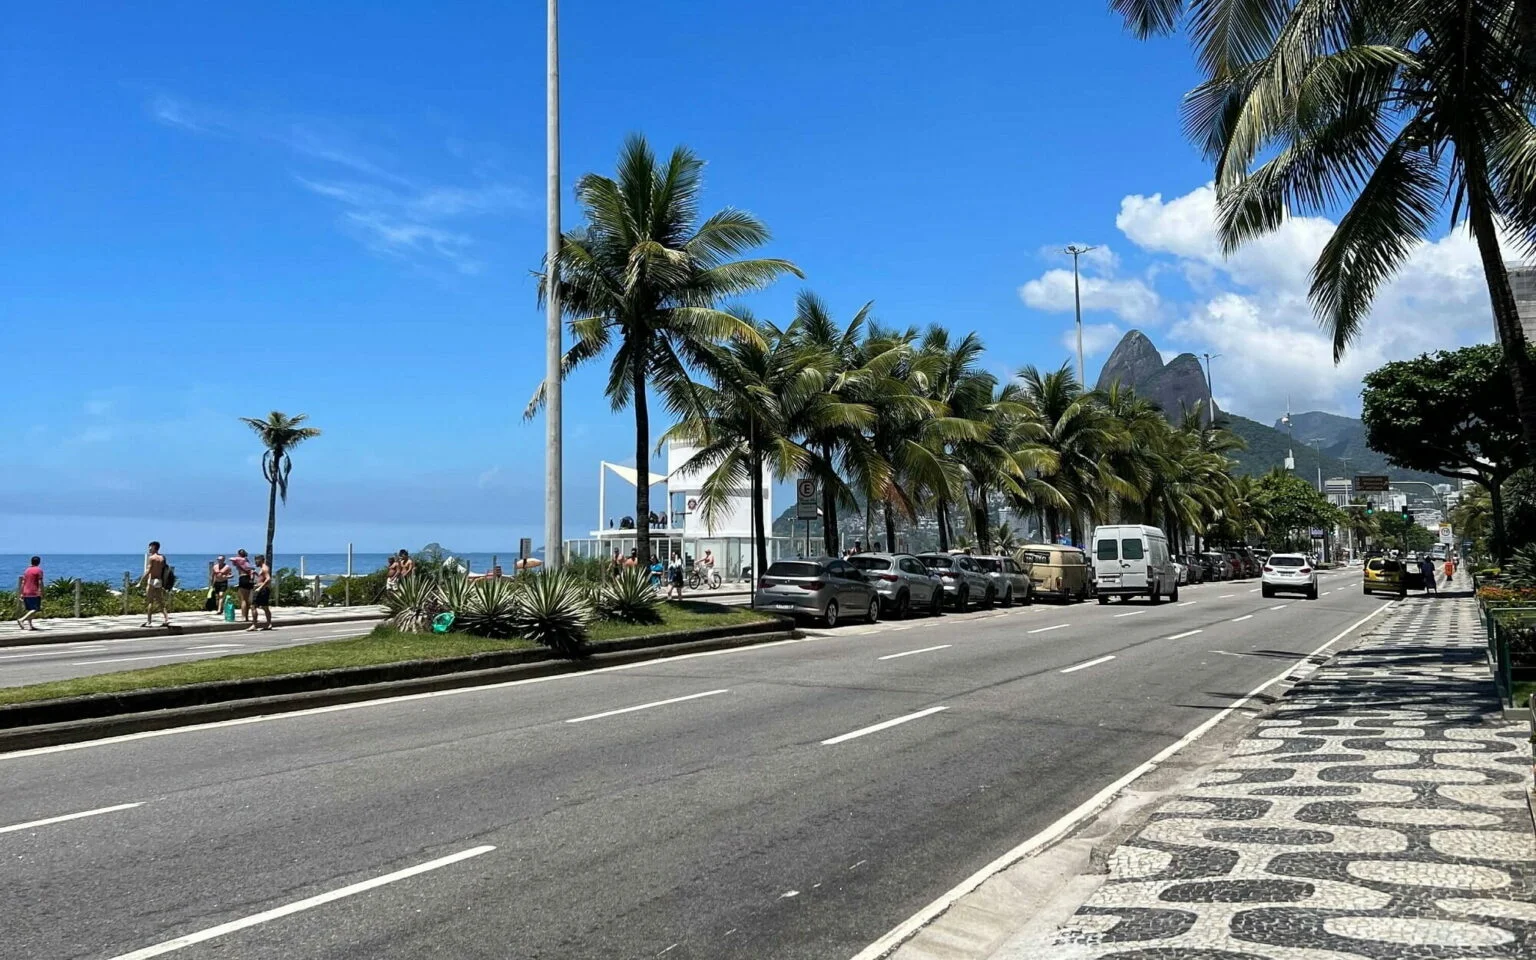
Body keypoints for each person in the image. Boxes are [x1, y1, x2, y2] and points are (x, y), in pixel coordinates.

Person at [140, 541, 170, 627]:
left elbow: (148, 570)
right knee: (160, 601)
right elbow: (164, 570)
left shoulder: (152, 558)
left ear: (154, 547)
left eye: (150, 547)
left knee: (150, 602)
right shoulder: (162, 558)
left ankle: (149, 621)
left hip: (152, 580)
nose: (149, 548)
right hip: (159, 581)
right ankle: (166, 619)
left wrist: (140, 580)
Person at [17, 556, 43, 630]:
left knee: (30, 609)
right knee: (35, 609)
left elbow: (23, 582)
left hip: (26, 592)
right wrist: (41, 591)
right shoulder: (39, 570)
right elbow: (40, 582)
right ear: (39, 562)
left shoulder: (27, 570)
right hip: (34, 592)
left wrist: (21, 593)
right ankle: (22, 619)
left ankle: (30, 626)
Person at [248, 554, 273, 631]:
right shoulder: (263, 568)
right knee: (265, 607)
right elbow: (263, 578)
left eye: (256, 560)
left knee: (253, 606)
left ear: (261, 560)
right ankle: (269, 624)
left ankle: (254, 625)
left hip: (262, 590)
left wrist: (259, 588)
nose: (255, 562)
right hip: (263, 589)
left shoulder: (264, 568)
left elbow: (268, 579)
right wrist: (256, 574)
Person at [230, 549, 255, 623]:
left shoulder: (240, 560)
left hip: (243, 578)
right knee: (247, 600)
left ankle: (243, 617)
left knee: (243, 599)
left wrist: (237, 560)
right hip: (249, 579)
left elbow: (231, 559)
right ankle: (246, 616)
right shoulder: (247, 561)